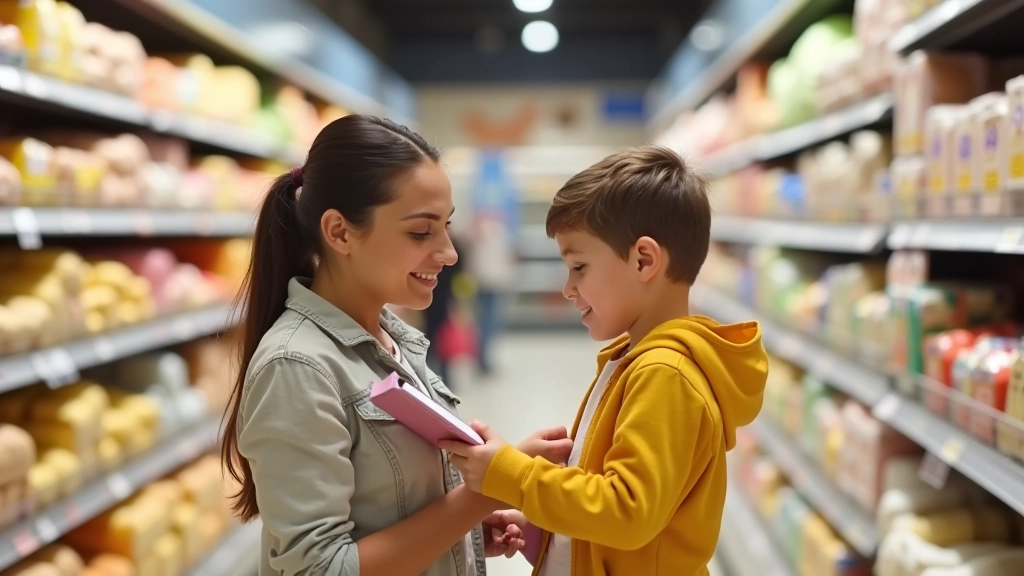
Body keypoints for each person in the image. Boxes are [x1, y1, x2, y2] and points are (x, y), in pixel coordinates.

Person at [220, 115, 573, 576]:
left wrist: (462, 539)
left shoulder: (389, 340)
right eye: (421, 231)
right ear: (340, 232)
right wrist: (485, 491)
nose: (449, 252)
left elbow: (384, 509)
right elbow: (319, 569)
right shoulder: (297, 366)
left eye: (446, 226)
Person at [441, 146, 769, 576]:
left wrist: (512, 476)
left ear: (644, 260)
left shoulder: (665, 374)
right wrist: (549, 533)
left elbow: (625, 511)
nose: (567, 288)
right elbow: (619, 523)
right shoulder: (632, 359)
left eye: (579, 266)